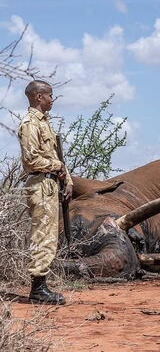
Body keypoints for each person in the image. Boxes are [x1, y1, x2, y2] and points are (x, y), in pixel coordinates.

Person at [18, 80, 73, 305]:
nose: (52, 99)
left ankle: (42, 287)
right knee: (42, 236)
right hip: (40, 185)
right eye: (50, 95)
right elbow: (31, 160)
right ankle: (38, 290)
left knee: (49, 237)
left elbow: (54, 156)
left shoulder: (45, 123)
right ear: (39, 96)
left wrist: (66, 178)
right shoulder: (30, 123)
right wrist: (57, 168)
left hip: (50, 185)